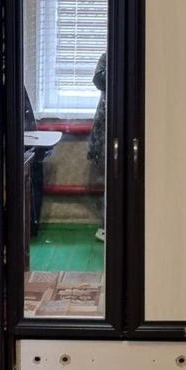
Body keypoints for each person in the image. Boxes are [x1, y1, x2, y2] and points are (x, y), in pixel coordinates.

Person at [86, 51, 107, 241]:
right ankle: (106, 226)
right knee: (111, 180)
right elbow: (99, 80)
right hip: (106, 127)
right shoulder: (107, 57)